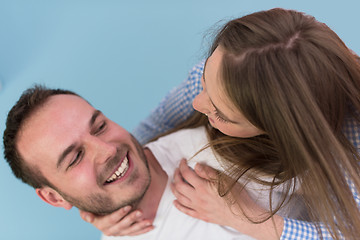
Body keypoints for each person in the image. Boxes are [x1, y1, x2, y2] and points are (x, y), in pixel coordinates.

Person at [82, 8, 360, 240]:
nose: (197, 104)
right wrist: (109, 200)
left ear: (281, 130)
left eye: (222, 115)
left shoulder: (346, 154)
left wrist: (249, 219)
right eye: (203, 81)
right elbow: (151, 128)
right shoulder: (226, 72)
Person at [3, 85, 275, 240]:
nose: (107, 150)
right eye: (75, 158)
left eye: (99, 126)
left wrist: (253, 220)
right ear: (54, 198)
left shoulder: (218, 146)